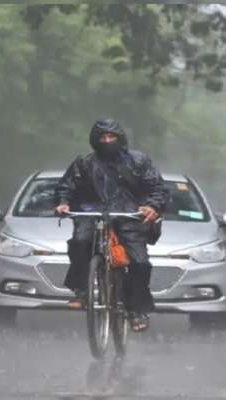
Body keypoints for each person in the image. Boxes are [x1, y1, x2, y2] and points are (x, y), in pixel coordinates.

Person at [54, 117, 170, 332]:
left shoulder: (139, 160)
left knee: (139, 263)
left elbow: (158, 188)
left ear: (120, 138)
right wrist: (63, 202)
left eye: (111, 136)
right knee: (80, 242)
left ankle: (137, 310)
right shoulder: (84, 162)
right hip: (92, 213)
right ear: (95, 140)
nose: (107, 141)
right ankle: (81, 290)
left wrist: (152, 206)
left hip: (130, 215)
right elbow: (66, 186)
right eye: (103, 137)